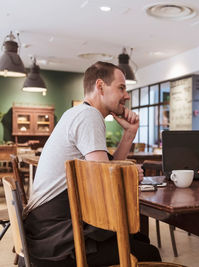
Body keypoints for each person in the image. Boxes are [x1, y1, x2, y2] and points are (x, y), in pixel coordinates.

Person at [24, 61, 161, 267]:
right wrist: (129, 173)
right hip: (56, 237)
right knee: (148, 253)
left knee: (138, 241)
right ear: (100, 86)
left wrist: (129, 134)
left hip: (45, 229)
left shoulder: (78, 113)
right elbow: (105, 184)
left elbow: (108, 168)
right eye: (121, 87)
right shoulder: (89, 116)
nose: (127, 95)